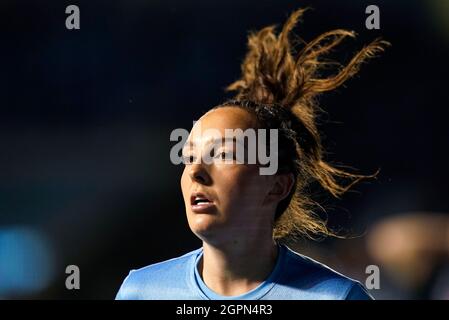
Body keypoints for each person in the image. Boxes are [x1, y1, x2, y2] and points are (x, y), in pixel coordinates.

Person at [116, 8, 388, 300]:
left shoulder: (335, 297)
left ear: (277, 185)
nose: (195, 172)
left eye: (222, 155)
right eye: (189, 157)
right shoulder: (141, 291)